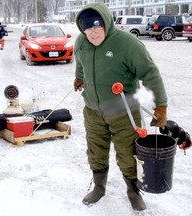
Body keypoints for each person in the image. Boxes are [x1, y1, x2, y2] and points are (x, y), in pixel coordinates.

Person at [73, 3, 168, 211]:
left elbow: (150, 74)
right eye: (88, 28)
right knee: (95, 152)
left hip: (123, 112)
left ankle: (133, 191)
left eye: (97, 26)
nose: (93, 32)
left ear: (106, 22)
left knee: (128, 153)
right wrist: (79, 78)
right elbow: (80, 63)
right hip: (93, 110)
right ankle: (99, 187)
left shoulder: (127, 44)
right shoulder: (81, 42)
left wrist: (161, 106)